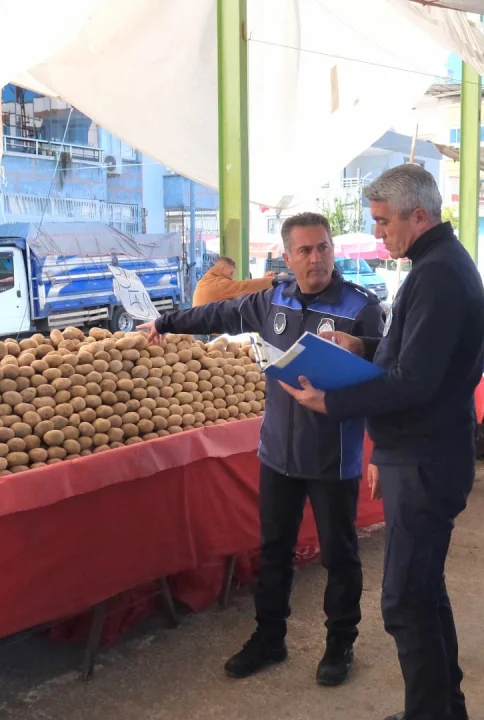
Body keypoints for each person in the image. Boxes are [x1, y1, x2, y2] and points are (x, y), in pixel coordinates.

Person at [139, 212, 383, 687]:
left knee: (340, 555)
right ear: (287, 257)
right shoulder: (274, 298)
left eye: (324, 248)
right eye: (306, 251)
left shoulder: (361, 306)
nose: (317, 258)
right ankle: (269, 638)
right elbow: (216, 313)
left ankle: (340, 644)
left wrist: (363, 352)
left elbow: (387, 363)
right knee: (274, 550)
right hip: (277, 452)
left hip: (333, 455)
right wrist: (165, 321)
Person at [280, 164, 484, 720]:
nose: (378, 235)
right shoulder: (435, 266)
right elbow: (417, 357)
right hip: (421, 455)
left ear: (418, 216)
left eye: (382, 222)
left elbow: (415, 382)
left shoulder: (438, 275)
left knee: (405, 600)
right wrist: (365, 345)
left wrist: (334, 402)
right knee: (424, 591)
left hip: (425, 459)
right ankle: (444, 708)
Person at [192, 256, 274, 307]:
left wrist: (263, 279)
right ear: (223, 268)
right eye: (231, 273)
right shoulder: (219, 284)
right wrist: (272, 281)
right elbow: (244, 287)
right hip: (211, 333)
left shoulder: (205, 282)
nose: (231, 278)